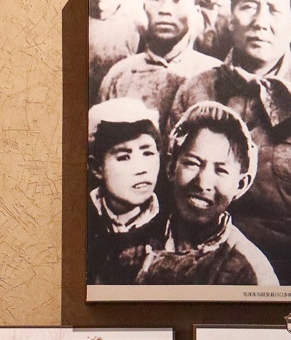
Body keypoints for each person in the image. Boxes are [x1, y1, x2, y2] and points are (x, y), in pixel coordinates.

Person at [172, 0, 291, 285]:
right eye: (249, 6)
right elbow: (167, 188)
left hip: (286, 282)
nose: (260, 21)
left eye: (274, 10)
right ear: (231, 21)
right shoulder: (195, 91)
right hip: (199, 274)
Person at [112, 101, 277, 287]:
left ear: (240, 184)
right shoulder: (131, 248)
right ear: (170, 166)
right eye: (192, 163)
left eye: (221, 170)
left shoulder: (249, 271)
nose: (202, 183)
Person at [98, 0, 220, 132]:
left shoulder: (214, 74)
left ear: (195, 11)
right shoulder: (119, 75)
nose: (165, 10)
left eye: (176, 0)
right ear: (144, 6)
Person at [84, 98, 168, 282]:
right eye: (124, 157)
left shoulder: (171, 226)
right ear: (97, 168)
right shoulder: (81, 220)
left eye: (148, 153)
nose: (141, 169)